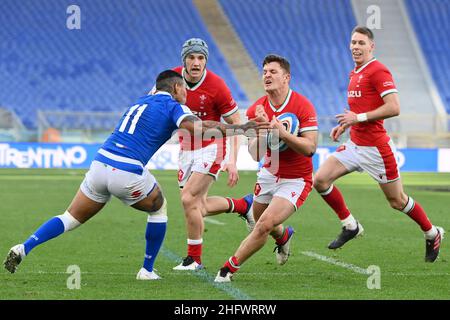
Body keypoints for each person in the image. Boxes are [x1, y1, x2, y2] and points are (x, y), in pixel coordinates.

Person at [3, 70, 265, 279]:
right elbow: (199, 127)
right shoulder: (174, 106)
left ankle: (24, 247)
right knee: (159, 208)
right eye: (183, 87)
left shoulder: (140, 100)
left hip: (99, 165)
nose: (187, 92)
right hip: (126, 170)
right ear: (175, 89)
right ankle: (147, 270)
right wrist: (240, 128)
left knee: (69, 217)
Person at [313, 26, 444, 262]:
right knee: (320, 180)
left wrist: (358, 118)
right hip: (355, 145)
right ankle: (350, 225)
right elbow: (359, 109)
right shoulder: (355, 73)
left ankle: (432, 232)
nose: (356, 47)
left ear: (371, 46)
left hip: (376, 150)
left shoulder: (378, 71)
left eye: (361, 43)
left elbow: (394, 107)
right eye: (353, 42)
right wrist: (346, 125)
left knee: (397, 201)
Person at [214, 54, 318, 282]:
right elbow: (254, 154)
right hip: (268, 175)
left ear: (286, 77)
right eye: (264, 72)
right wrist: (262, 132)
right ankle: (283, 236)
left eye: (273, 72)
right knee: (263, 222)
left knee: (262, 226)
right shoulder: (255, 110)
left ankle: (227, 270)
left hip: (296, 179)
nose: (267, 76)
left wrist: (283, 134)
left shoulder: (302, 105)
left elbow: (310, 148)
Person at [171, 38, 255, 271]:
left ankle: (194, 259)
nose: (196, 62)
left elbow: (237, 123)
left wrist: (232, 160)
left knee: (189, 198)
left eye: (201, 58)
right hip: (186, 147)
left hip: (212, 146)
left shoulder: (217, 86)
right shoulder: (171, 81)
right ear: (184, 60)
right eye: (191, 57)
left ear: (206, 60)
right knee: (198, 206)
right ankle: (243, 205)